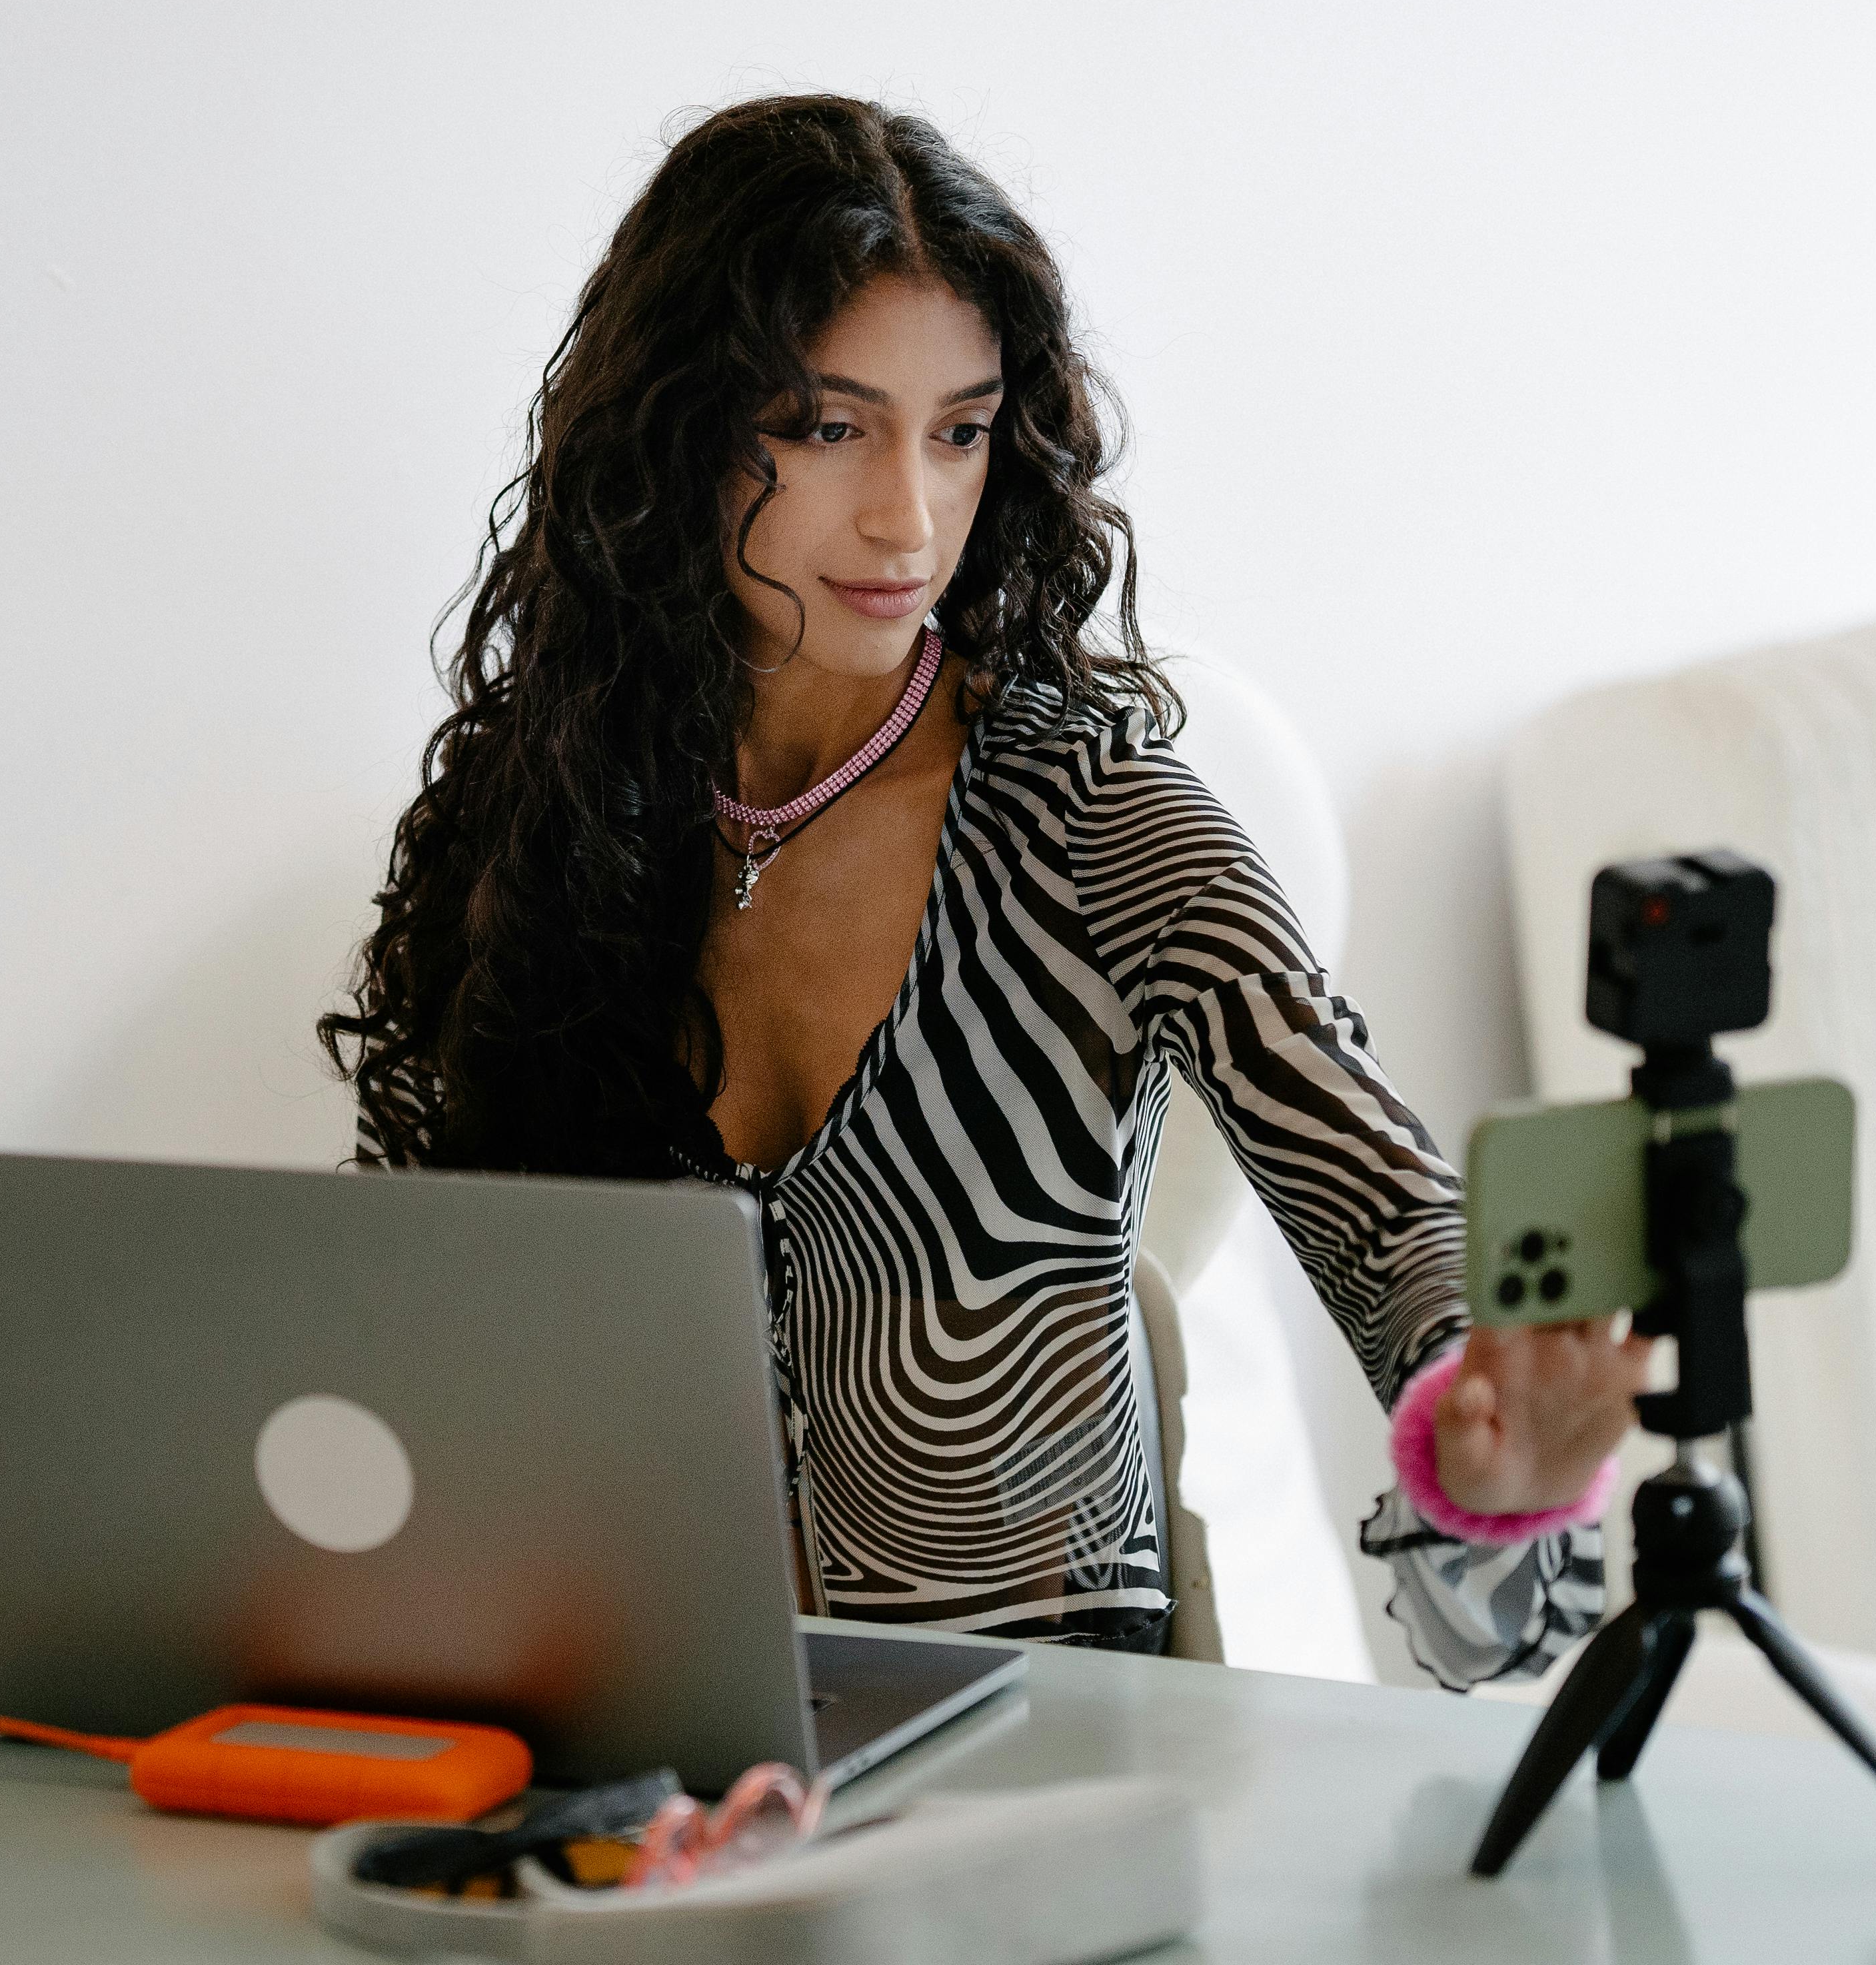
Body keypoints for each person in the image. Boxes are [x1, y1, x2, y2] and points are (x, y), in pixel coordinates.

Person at [322, 95, 1645, 1682]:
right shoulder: (548, 814)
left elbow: (1390, 1214)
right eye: (827, 428)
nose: (908, 517)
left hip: (1042, 1791)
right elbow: (423, 1328)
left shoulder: (1096, 824)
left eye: (957, 430)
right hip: (642, 1772)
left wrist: (1495, 1466)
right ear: (676, 430)